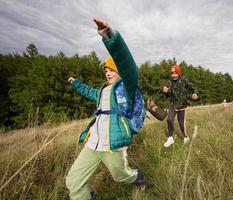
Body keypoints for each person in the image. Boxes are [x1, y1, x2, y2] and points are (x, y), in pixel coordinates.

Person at [65, 17, 147, 200]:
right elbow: (88, 91)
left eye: (112, 69)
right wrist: (75, 83)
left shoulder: (127, 88)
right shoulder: (103, 91)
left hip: (112, 143)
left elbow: (128, 66)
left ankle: (138, 176)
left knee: (121, 176)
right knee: (73, 182)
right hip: (93, 140)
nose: (108, 72)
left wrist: (109, 36)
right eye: (106, 70)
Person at [162, 64, 198, 148]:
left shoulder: (183, 80)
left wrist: (195, 93)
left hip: (182, 105)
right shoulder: (170, 82)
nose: (173, 75)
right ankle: (170, 138)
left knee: (181, 124)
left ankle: (186, 137)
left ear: (179, 73)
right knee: (169, 120)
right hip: (172, 104)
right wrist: (166, 92)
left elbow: (193, 87)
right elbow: (168, 95)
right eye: (172, 73)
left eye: (175, 73)